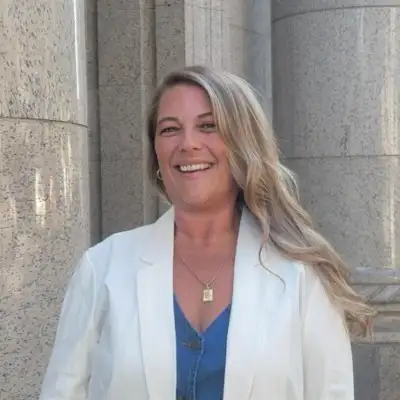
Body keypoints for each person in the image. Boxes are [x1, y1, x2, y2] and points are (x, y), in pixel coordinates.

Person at [39, 65, 374, 400]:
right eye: (170, 129)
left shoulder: (302, 274)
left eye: (208, 126)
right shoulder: (102, 268)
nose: (188, 144)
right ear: (156, 152)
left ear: (243, 142)